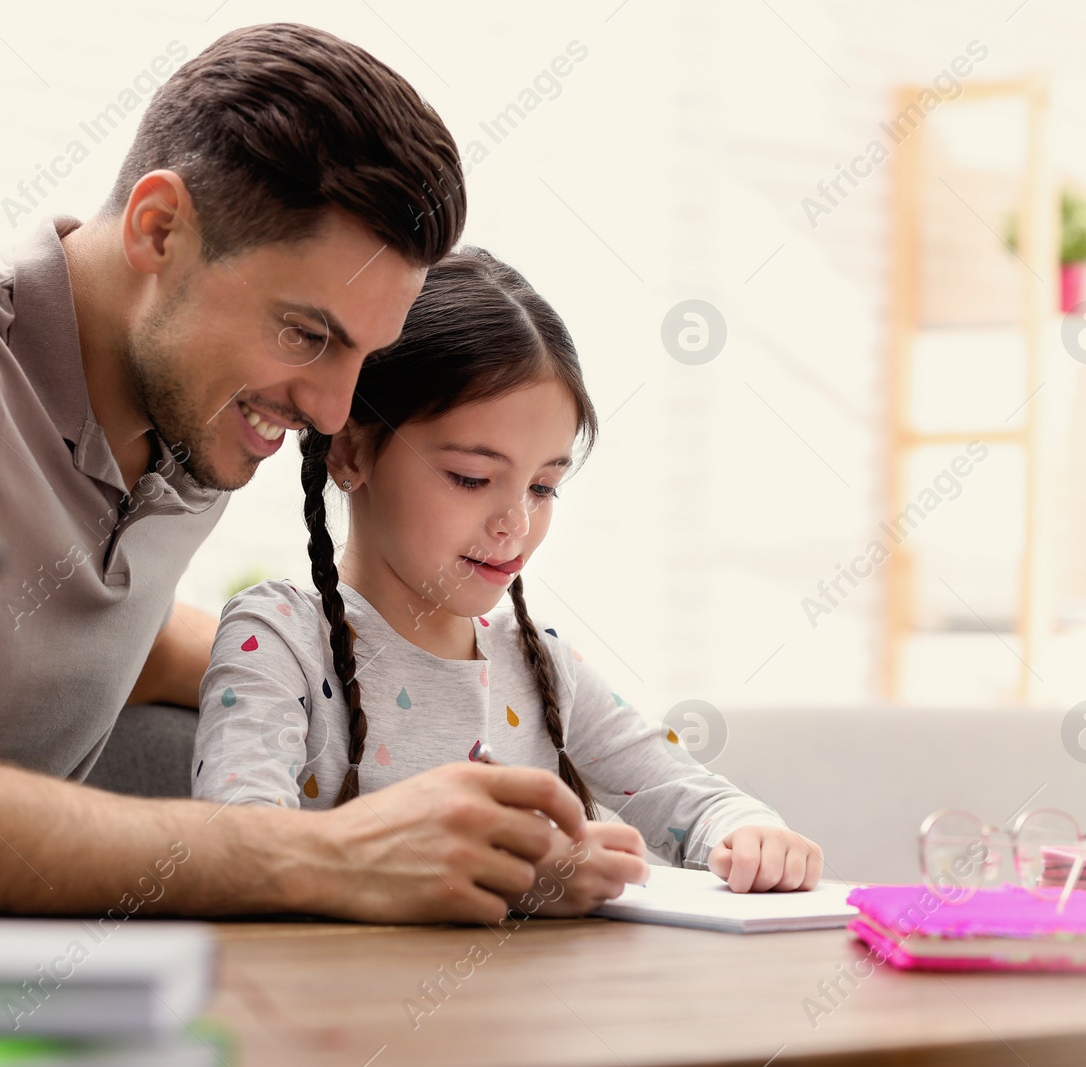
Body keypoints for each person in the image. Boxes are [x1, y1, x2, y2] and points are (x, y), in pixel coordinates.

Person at [0, 23, 590, 924]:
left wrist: (412, 710)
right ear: (159, 229)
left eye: (363, 353)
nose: (330, 409)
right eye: (306, 334)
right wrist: (315, 855)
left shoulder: (181, 411)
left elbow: (82, 642)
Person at [193, 249, 824, 915]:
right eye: (471, 476)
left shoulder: (538, 664)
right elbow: (236, 849)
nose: (515, 521)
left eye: (544, 485)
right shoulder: (281, 639)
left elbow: (691, 798)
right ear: (351, 451)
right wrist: (502, 871)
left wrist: (752, 834)